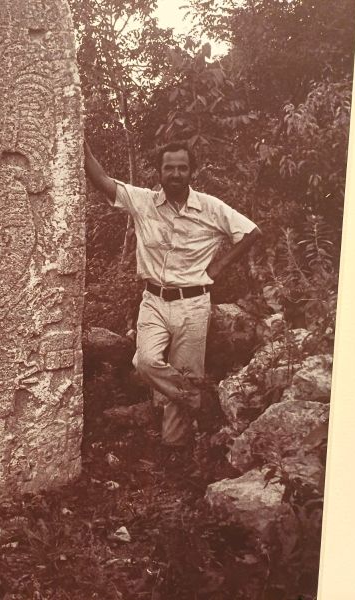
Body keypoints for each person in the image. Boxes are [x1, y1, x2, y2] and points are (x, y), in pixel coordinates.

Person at [83, 140, 261, 458]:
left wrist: (218, 267)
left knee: (185, 370)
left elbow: (251, 232)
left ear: (192, 172)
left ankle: (174, 449)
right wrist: (80, 145)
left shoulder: (211, 207)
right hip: (154, 300)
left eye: (182, 168)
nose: (176, 174)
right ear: (160, 171)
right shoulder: (144, 201)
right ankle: (200, 400)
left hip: (193, 304)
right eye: (169, 168)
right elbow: (103, 181)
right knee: (145, 361)